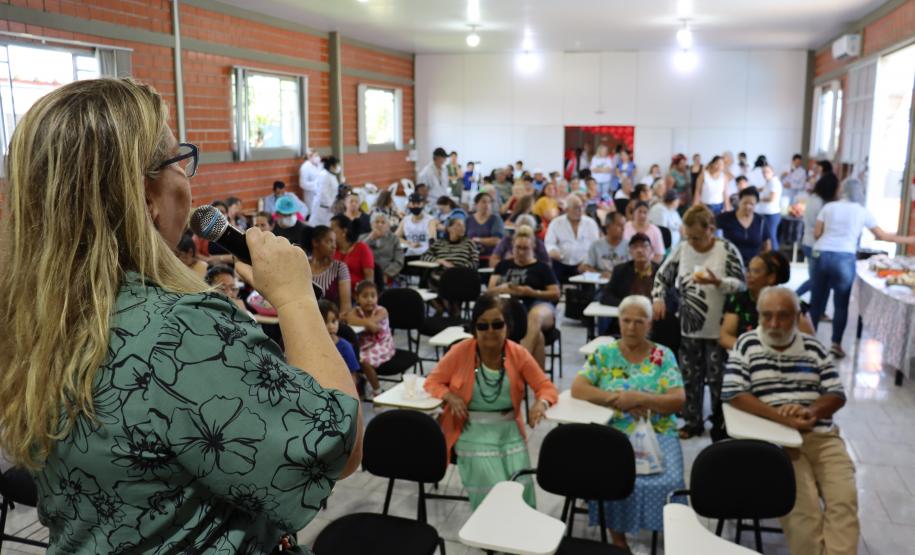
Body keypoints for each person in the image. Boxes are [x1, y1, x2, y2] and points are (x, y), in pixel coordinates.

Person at [0, 78, 362, 552]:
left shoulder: (31, 315)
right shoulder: (181, 329)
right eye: (178, 161)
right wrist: (296, 296)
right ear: (145, 196)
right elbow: (338, 447)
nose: (188, 180)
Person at [723, 286, 858, 555]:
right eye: (767, 316)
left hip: (822, 436)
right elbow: (734, 393)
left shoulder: (814, 347)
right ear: (759, 316)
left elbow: (836, 393)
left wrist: (812, 411)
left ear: (797, 317)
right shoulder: (747, 344)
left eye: (783, 316)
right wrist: (782, 419)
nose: (774, 324)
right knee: (804, 512)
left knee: (844, 501)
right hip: (778, 443)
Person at [572, 295, 686, 551]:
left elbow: (678, 399)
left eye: (639, 321)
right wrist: (618, 399)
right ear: (619, 322)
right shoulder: (605, 353)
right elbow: (579, 388)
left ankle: (663, 531)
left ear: (649, 325)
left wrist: (642, 398)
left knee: (668, 481)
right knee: (610, 477)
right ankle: (618, 539)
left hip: (658, 432)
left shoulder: (662, 355)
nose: (632, 327)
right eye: (626, 321)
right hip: (614, 434)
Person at [424, 293, 558, 509]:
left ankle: (519, 539)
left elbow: (546, 387)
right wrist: (450, 396)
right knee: (494, 489)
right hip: (470, 429)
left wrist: (540, 403)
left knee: (522, 487)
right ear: (474, 328)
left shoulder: (518, 354)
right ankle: (491, 539)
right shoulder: (461, 351)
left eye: (497, 324)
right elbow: (432, 382)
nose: (490, 332)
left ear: (508, 326)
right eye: (482, 326)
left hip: (509, 430)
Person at [652, 204, 745, 439]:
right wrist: (658, 298)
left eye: (696, 236)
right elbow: (662, 276)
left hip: (718, 328)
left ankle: (719, 423)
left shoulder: (726, 249)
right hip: (688, 326)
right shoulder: (682, 249)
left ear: (710, 230)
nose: (692, 241)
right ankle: (692, 421)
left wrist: (718, 283)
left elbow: (741, 283)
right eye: (689, 236)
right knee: (689, 377)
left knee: (717, 379)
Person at [810, 184, 915, 358]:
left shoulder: (829, 207)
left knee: (816, 301)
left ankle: (809, 343)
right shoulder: (861, 211)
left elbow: (817, 233)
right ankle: (836, 343)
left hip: (821, 254)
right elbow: (881, 236)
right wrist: (909, 240)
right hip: (844, 257)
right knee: (841, 304)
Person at [489, 227, 562, 370]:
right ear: (512, 247)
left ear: (533, 247)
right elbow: (490, 291)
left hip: (538, 304)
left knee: (534, 318)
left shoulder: (542, 267)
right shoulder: (503, 265)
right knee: (538, 338)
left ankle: (517, 366)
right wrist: (502, 288)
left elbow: (555, 293)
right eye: (518, 248)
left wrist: (532, 292)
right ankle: (538, 384)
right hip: (509, 307)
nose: (521, 252)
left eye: (525, 248)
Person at [720, 251, 814, 350]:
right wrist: (753, 351)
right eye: (748, 270)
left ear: (771, 278)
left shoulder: (792, 303)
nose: (748, 275)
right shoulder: (738, 300)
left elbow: (809, 340)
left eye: (755, 271)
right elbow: (725, 336)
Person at [344, 281, 392, 400]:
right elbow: (350, 319)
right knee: (348, 356)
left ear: (377, 297)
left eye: (373, 296)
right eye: (365, 296)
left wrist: (356, 320)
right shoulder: (356, 311)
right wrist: (368, 323)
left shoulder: (382, 310)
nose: (370, 299)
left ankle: (377, 391)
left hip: (382, 345)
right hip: (365, 345)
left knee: (363, 361)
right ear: (357, 298)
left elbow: (352, 319)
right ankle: (357, 387)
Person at [796, 172, 839, 297]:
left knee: (818, 280)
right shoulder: (822, 204)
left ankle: (816, 309)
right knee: (817, 280)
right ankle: (793, 296)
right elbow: (820, 230)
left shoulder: (813, 198)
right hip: (816, 245)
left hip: (808, 242)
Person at [545, 194, 601, 283]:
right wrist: (553, 250)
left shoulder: (590, 223)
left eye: (581, 207)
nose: (580, 210)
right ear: (567, 209)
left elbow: (595, 246)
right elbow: (549, 243)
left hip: (583, 263)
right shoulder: (556, 223)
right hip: (561, 262)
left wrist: (587, 261)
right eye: (576, 208)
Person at [421, 213, 479, 292]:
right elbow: (424, 256)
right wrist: (440, 261)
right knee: (433, 283)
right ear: (449, 228)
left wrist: (457, 269)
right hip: (441, 276)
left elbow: (475, 262)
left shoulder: (469, 243)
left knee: (447, 284)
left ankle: (449, 304)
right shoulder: (439, 243)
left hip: (461, 276)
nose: (463, 228)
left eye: (463, 226)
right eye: (458, 225)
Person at [716, 186, 772, 266]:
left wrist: (763, 262)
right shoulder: (725, 218)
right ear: (739, 202)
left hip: (753, 266)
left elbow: (767, 245)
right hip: (729, 263)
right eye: (745, 203)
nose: (748, 206)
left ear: (756, 204)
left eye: (751, 204)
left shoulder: (761, 221)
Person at [319, 299, 362, 387]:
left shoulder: (345, 347)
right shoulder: (312, 346)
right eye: (325, 322)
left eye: (334, 321)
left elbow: (353, 375)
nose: (331, 326)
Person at [310, 225, 352, 312]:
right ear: (315, 242)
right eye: (329, 241)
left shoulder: (340, 268)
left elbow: (346, 308)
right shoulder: (303, 265)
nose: (334, 246)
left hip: (331, 323)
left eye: (335, 242)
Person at [580, 212, 630, 277]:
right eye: (619, 226)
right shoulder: (596, 245)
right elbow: (584, 267)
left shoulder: (629, 246)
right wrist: (600, 275)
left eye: (624, 226)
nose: (623, 229)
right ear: (608, 227)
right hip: (601, 283)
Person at [360, 211, 404, 285]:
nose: (380, 224)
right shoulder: (362, 238)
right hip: (365, 274)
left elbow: (399, 261)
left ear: (387, 226)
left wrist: (386, 274)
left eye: (383, 222)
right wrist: (370, 238)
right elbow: (357, 253)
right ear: (371, 225)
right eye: (377, 222)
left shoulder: (394, 239)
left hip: (388, 275)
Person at [331, 214, 375, 286]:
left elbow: (369, 280)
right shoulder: (332, 249)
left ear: (344, 231)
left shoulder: (362, 248)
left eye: (332, 229)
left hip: (356, 292)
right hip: (334, 291)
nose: (329, 233)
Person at [397, 193, 437, 259]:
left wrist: (431, 255)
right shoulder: (405, 220)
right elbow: (396, 237)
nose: (415, 206)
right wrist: (408, 243)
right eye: (413, 203)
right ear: (409, 204)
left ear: (423, 204)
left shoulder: (430, 220)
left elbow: (432, 239)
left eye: (418, 203)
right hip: (409, 254)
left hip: (425, 255)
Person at [466, 192, 505, 260]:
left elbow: (497, 240)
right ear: (476, 204)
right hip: (470, 256)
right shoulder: (468, 220)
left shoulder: (496, 220)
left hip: (490, 256)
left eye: (489, 202)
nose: (487, 205)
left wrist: (477, 240)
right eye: (483, 202)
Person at [755, 165, 783, 250]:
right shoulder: (769, 182)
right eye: (763, 172)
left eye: (767, 172)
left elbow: (772, 198)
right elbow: (762, 190)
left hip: (771, 214)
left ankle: (775, 257)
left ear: (772, 172)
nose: (765, 174)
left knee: (771, 237)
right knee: (767, 236)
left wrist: (757, 199)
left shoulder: (774, 182)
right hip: (766, 213)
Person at [311, 156, 342, 226]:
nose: (339, 167)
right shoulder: (324, 175)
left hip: (329, 207)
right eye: (337, 165)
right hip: (324, 208)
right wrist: (331, 205)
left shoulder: (331, 175)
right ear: (332, 166)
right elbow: (323, 192)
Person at [299, 148, 323, 214]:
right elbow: (302, 184)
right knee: (313, 213)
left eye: (318, 155)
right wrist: (316, 184)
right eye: (315, 156)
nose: (318, 157)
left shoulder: (320, 165)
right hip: (311, 195)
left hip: (321, 194)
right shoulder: (305, 167)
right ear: (309, 157)